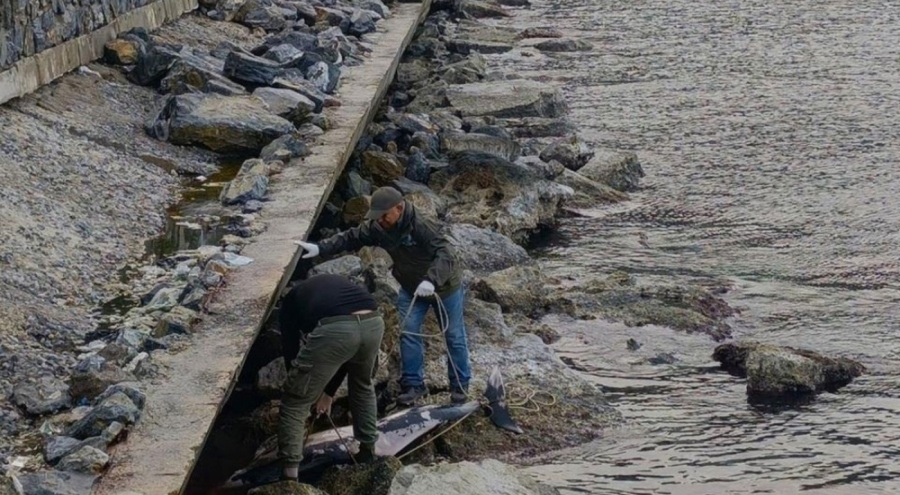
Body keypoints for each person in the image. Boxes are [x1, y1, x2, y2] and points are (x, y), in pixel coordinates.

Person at [294, 186, 472, 405]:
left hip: (444, 288)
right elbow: (353, 237)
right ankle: (414, 385)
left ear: (399, 208)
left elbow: (446, 252)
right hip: (410, 287)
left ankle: (460, 387)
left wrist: (432, 280)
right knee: (408, 332)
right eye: (377, 217)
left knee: (454, 336)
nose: (380, 221)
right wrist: (321, 248)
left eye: (384, 216)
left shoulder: (422, 225)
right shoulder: (380, 227)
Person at [277, 273, 384, 480]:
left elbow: (291, 352)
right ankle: (367, 451)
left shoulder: (289, 306)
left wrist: (306, 389)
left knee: (294, 402)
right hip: (373, 322)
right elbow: (346, 356)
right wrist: (326, 392)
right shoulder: (327, 287)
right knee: (362, 385)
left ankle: (289, 476)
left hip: (339, 328)